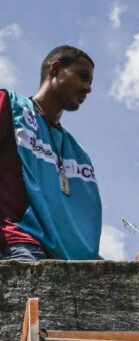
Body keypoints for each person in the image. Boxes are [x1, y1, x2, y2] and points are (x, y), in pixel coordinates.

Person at [0, 46, 101, 261]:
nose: (88, 88)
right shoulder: (10, 106)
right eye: (82, 77)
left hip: (63, 258)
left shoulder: (77, 152)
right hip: (17, 242)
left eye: (90, 82)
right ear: (55, 69)